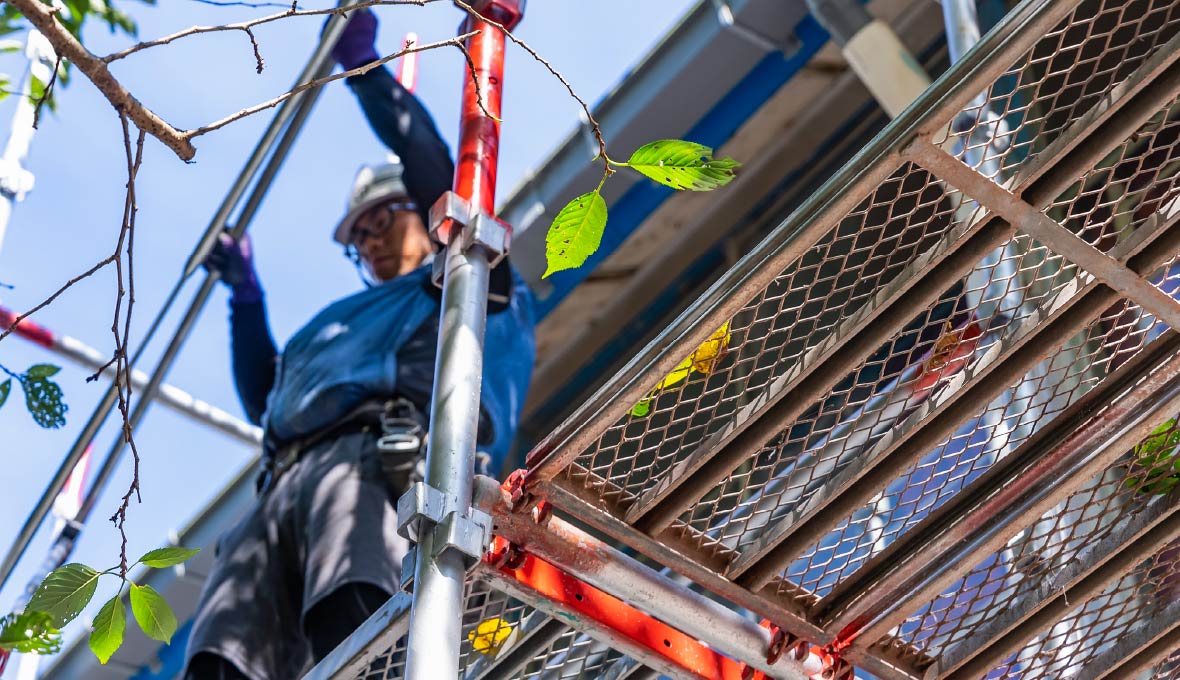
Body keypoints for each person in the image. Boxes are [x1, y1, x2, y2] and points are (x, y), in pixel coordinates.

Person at [182, 9, 536, 680]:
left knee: (355, 618)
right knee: (223, 656)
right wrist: (245, 300)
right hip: (282, 483)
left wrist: (364, 72)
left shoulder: (464, 281)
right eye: (360, 236)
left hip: (370, 456)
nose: (370, 241)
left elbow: (440, 174)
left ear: (422, 213)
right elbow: (267, 395)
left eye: (383, 221)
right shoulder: (335, 324)